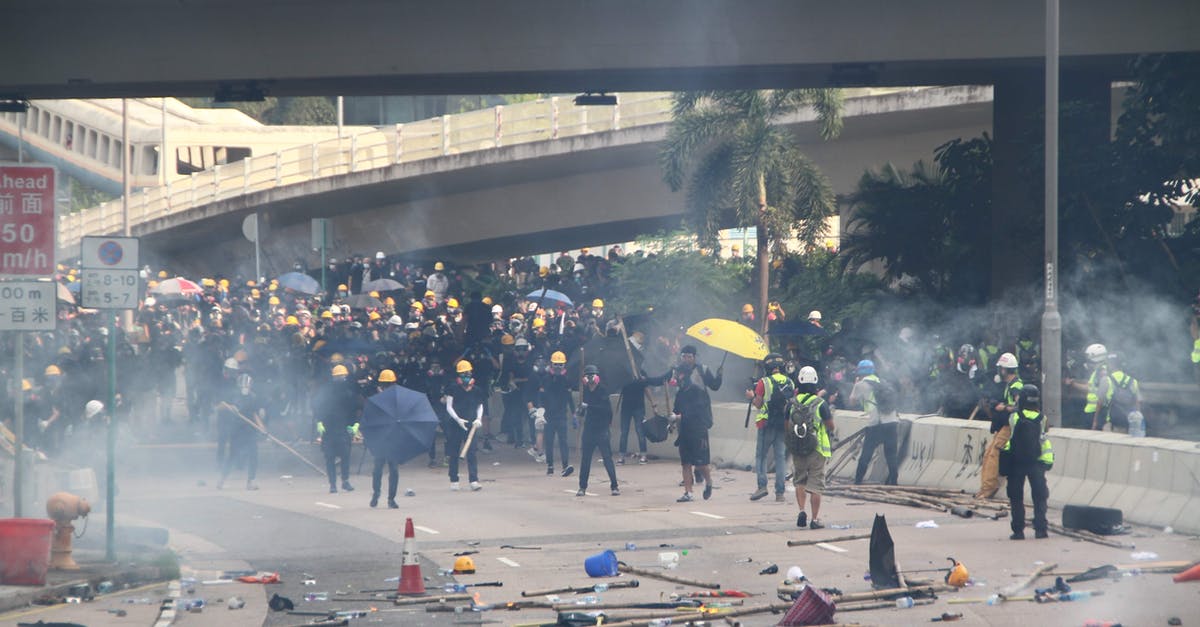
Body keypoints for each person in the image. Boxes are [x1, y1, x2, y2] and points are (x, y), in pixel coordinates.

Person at [1000, 384, 1053, 540]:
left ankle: (1018, 531)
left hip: (1016, 462)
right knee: (1040, 496)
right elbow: (1045, 432)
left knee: (1016, 497)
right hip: (1036, 462)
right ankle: (1041, 530)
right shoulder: (1043, 419)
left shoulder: (1014, 417)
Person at [791, 366, 834, 529]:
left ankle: (801, 511)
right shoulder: (821, 404)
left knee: (800, 481)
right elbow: (830, 426)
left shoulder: (792, 403)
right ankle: (815, 519)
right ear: (815, 382)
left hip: (798, 448)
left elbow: (786, 425)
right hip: (817, 450)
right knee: (816, 485)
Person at [977, 352, 1022, 499]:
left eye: (1000, 368)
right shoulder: (1009, 385)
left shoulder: (1016, 385)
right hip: (1005, 424)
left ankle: (989, 488)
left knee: (994, 454)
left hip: (1011, 426)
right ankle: (984, 487)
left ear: (1004, 369)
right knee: (988, 454)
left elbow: (1019, 406)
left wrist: (1003, 407)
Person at [749, 353, 794, 502]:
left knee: (761, 456)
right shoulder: (790, 382)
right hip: (782, 425)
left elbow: (758, 404)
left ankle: (762, 486)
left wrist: (751, 396)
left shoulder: (764, 382)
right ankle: (780, 493)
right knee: (780, 458)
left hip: (766, 424)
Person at [216, 360, 265, 491]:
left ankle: (251, 481)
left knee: (253, 455)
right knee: (232, 456)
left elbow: (254, 414)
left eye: (247, 386)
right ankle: (222, 479)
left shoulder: (253, 397)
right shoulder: (232, 395)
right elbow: (219, 406)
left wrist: (262, 428)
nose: (245, 388)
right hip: (236, 429)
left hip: (250, 430)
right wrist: (230, 406)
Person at [849, 359, 899, 485]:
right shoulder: (882, 382)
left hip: (876, 424)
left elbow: (852, 401)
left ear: (860, 372)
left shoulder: (860, 384)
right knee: (891, 455)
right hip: (892, 422)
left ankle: (857, 482)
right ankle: (894, 482)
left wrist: (855, 384)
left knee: (866, 455)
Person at [575, 364, 620, 497]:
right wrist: (579, 411)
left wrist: (588, 406)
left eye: (592, 375)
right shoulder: (584, 392)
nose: (589, 378)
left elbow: (604, 409)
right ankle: (582, 487)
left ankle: (614, 486)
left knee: (607, 458)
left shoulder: (602, 390)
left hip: (602, 429)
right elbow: (583, 412)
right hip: (589, 428)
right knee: (585, 459)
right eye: (587, 376)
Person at [315, 364, 359, 494]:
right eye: (338, 377)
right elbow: (318, 407)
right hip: (329, 429)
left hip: (343, 429)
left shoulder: (349, 392)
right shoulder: (326, 392)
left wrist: (355, 424)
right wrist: (319, 421)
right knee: (330, 458)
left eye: (342, 377)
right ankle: (333, 484)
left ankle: (345, 481)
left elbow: (354, 410)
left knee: (345, 456)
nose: (340, 379)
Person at [673, 362, 714, 502]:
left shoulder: (697, 392)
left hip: (698, 431)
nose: (676, 377)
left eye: (678, 374)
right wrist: (671, 420)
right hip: (684, 432)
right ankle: (688, 492)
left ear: (684, 375)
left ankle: (709, 482)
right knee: (685, 463)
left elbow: (698, 413)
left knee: (700, 464)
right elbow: (676, 410)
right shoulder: (680, 394)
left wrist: (680, 417)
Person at [445, 360, 484, 491]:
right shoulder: (453, 388)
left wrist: (478, 419)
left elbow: (480, 406)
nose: (466, 376)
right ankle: (454, 479)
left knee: (472, 452)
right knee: (454, 452)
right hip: (456, 424)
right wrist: (457, 419)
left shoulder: (476, 390)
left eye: (468, 373)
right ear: (459, 375)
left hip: (471, 424)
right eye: (463, 374)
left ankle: (474, 480)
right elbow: (449, 406)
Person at [539, 351, 575, 477]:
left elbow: (570, 398)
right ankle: (550, 465)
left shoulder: (567, 380)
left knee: (563, 441)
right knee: (549, 441)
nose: (558, 367)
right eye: (556, 364)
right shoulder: (546, 379)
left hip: (561, 415)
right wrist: (540, 411)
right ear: (551, 364)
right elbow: (541, 397)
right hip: (548, 416)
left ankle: (565, 466)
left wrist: (574, 413)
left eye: (561, 364)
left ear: (564, 365)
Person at [370, 369, 401, 509]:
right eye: (386, 385)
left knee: (394, 470)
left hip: (393, 438)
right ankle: (376, 492)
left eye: (390, 385)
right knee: (377, 469)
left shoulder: (397, 400)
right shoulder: (375, 400)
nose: (388, 387)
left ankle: (391, 498)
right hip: (380, 439)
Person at [1094, 353, 1141, 433]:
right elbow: (1137, 403)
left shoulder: (1106, 380)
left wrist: (1095, 421)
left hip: (1111, 423)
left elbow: (1100, 403)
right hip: (1127, 423)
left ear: (1111, 365)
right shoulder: (1133, 381)